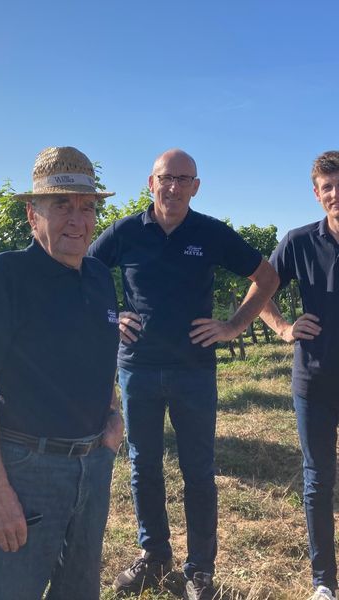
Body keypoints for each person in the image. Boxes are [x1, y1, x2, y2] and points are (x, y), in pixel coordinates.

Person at [88, 148, 278, 600]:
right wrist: (111, 315)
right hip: (137, 368)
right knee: (143, 466)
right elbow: (83, 274)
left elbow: (266, 276)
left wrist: (233, 326)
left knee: (198, 470)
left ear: (196, 186)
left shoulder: (210, 233)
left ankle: (200, 570)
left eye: (183, 179)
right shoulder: (127, 232)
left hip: (194, 371)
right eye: (165, 178)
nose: (173, 186)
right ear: (150, 183)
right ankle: (154, 556)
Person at [0, 146, 123, 600]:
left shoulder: (98, 276)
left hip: (93, 465)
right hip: (27, 471)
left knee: (79, 590)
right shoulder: (7, 274)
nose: (77, 219)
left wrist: (113, 420)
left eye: (87, 207)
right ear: (33, 214)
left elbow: (102, 356)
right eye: (61, 206)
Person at [259, 151, 339, 600]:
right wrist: (285, 328)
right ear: (316, 194)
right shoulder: (299, 242)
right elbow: (261, 290)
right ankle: (323, 581)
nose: (335, 194)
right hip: (315, 381)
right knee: (318, 479)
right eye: (327, 187)